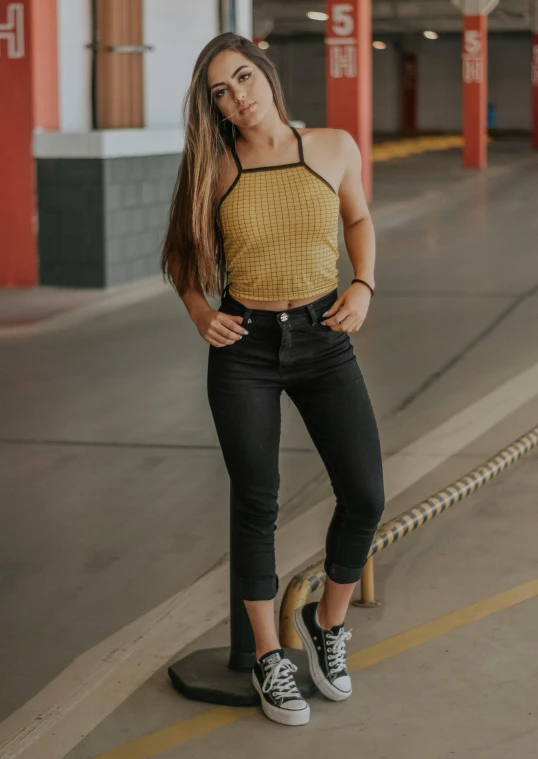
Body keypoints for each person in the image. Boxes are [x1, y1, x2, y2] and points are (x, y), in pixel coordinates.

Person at [161, 32, 385, 727]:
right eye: (220, 92)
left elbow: (357, 215)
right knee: (257, 502)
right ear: (214, 107)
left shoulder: (333, 146)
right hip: (246, 351)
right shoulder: (215, 166)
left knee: (365, 492)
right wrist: (201, 309)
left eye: (243, 78)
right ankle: (268, 657)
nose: (238, 97)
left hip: (324, 339)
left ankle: (327, 625)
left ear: (265, 73)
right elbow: (180, 253)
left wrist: (365, 285)